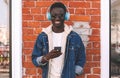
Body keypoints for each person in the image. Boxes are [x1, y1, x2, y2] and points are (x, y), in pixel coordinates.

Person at [32, 2, 86, 78]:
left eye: (61, 15)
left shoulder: (74, 37)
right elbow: (35, 59)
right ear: (49, 16)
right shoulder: (43, 37)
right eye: (54, 15)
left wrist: (74, 73)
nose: (57, 18)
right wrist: (46, 57)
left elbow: (81, 57)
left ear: (66, 16)